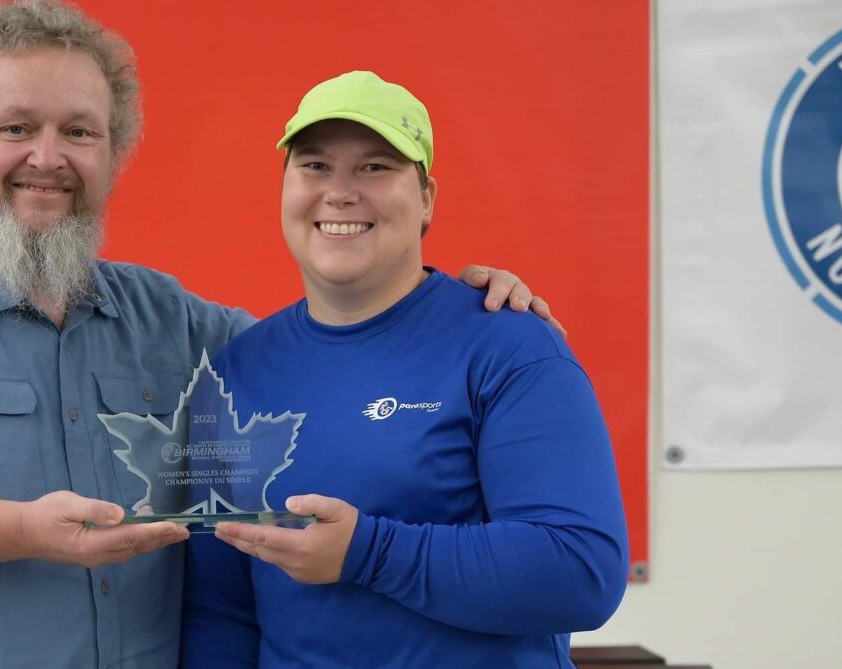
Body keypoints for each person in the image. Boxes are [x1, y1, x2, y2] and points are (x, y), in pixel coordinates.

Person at [0, 2, 563, 667]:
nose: (49, 157)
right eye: (15, 128)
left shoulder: (172, 321)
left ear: (113, 154)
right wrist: (21, 530)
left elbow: (333, 356)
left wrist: (454, 309)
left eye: (80, 132)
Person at [181, 71, 628, 668]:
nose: (339, 192)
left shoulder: (509, 346)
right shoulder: (236, 374)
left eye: (374, 167)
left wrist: (368, 552)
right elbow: (220, 610)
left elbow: (580, 571)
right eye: (313, 165)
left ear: (426, 199)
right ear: (284, 187)